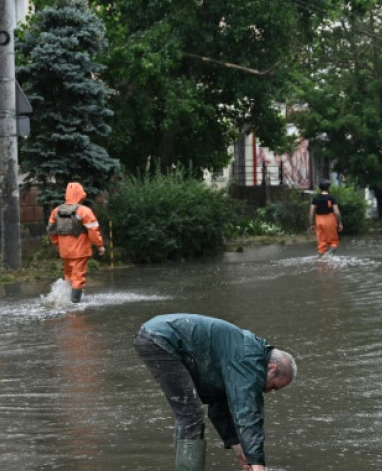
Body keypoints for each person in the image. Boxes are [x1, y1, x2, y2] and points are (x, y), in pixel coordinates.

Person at [134, 314, 297, 471]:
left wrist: (240, 450)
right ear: (271, 368)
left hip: (157, 335)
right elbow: (248, 415)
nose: (268, 391)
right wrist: (258, 465)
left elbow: (219, 408)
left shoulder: (247, 358)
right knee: (191, 413)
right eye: (273, 386)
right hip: (161, 339)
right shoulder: (249, 362)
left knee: (189, 412)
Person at [47, 182, 105, 302]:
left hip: (64, 251)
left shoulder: (56, 211)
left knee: (68, 275)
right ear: (80, 195)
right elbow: (93, 230)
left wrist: (57, 243)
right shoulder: (84, 211)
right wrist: (99, 245)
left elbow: (51, 230)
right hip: (80, 251)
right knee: (78, 277)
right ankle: (74, 302)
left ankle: (64, 298)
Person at [309, 179, 342, 257]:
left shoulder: (316, 198)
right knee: (334, 243)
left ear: (320, 188)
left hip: (319, 221)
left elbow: (311, 212)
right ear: (328, 188)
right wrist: (340, 223)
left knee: (321, 245)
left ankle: (321, 261)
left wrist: (311, 224)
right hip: (330, 220)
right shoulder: (331, 198)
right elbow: (336, 212)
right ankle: (327, 256)